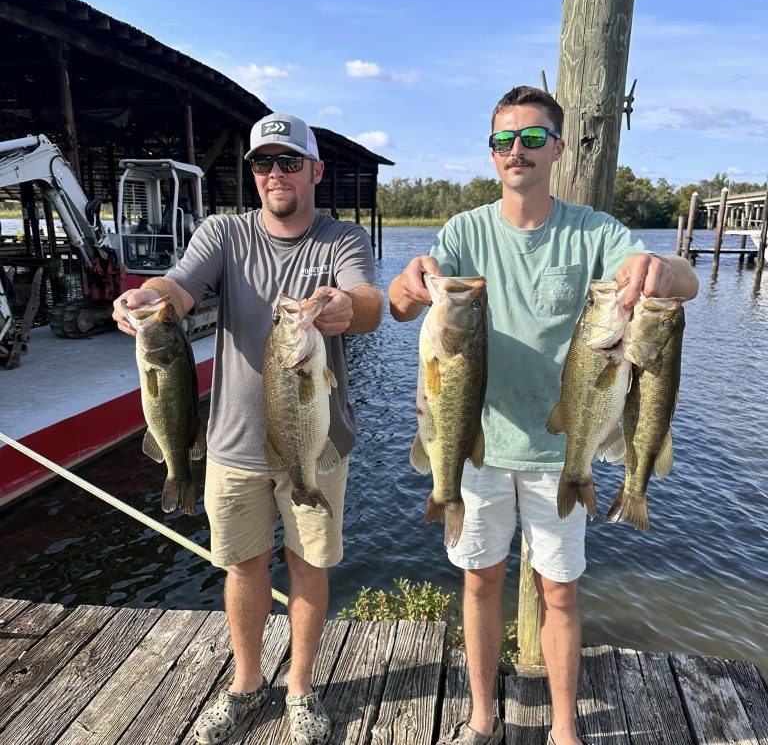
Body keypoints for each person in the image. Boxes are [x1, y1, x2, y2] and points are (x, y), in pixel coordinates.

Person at [388, 86, 699, 745]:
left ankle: (563, 729)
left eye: (533, 138)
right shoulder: (465, 232)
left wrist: (661, 269)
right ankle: (481, 717)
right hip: (477, 441)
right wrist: (411, 285)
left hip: (563, 453)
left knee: (559, 593)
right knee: (480, 582)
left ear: (557, 148)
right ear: (492, 151)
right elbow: (400, 300)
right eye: (505, 139)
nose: (517, 151)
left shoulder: (593, 231)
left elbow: (686, 282)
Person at [112, 112, 383, 745]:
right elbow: (176, 288)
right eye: (263, 163)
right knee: (244, 568)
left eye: (289, 162)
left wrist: (346, 308)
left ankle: (301, 690)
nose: (274, 174)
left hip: (317, 443)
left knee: (309, 566)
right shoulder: (223, 233)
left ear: (316, 171)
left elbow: (366, 303)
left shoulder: (341, 239)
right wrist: (144, 299)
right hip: (232, 445)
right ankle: (246, 683)